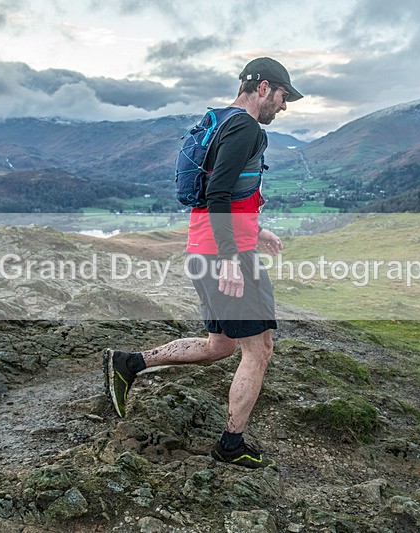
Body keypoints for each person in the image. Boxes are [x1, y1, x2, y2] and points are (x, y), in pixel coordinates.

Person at [104, 57, 302, 469]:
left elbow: (227, 192)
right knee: (259, 349)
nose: (284, 106)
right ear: (263, 87)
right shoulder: (245, 126)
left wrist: (255, 231)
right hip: (223, 255)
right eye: (284, 96)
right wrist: (232, 257)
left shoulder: (221, 119)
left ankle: (129, 363)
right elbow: (217, 193)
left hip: (205, 248)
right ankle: (231, 445)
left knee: (220, 345)